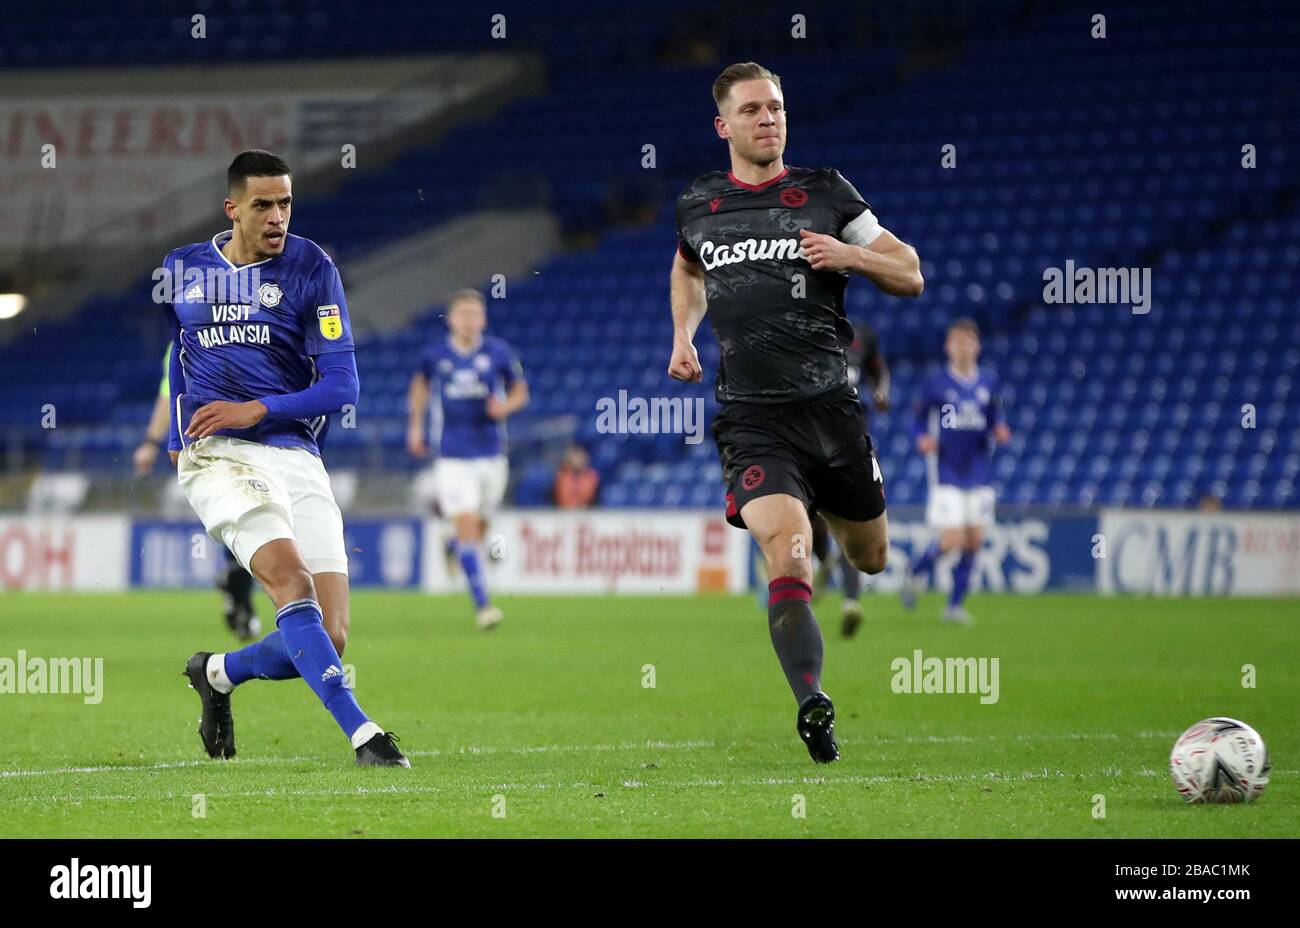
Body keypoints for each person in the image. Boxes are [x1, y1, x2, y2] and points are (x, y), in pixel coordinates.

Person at [668, 62, 924, 763]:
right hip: (753, 419)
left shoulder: (828, 193)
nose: (768, 119)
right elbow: (688, 267)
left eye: (776, 107)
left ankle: (845, 547)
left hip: (833, 413)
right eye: (752, 110)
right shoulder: (701, 203)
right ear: (724, 126)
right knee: (789, 551)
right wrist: (682, 335)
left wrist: (849, 255)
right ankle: (812, 701)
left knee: (870, 559)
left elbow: (911, 272)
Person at [166, 149, 407, 766]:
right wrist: (176, 439)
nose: (278, 217)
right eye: (263, 205)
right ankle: (365, 735)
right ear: (233, 208)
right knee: (291, 585)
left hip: (294, 450)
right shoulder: (184, 269)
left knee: (330, 635)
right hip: (219, 455)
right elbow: (180, 351)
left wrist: (257, 408)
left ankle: (217, 672)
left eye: (286, 203)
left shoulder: (310, 266)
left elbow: (341, 387)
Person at [407, 289, 528, 629]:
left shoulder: (498, 352)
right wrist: (415, 428)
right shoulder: (435, 355)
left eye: (475, 314)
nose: (469, 320)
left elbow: (520, 391)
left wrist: (506, 406)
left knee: (481, 524)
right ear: (452, 319)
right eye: (463, 314)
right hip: (452, 454)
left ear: (483, 319)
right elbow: (419, 387)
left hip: (491, 452)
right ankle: (483, 606)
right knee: (468, 525)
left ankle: (454, 544)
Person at [135, 346, 260, 640]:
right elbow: (170, 394)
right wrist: (153, 441)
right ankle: (238, 584)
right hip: (212, 442)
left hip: (258, 433)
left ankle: (236, 583)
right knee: (242, 515)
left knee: (249, 519)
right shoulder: (184, 332)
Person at [900, 317, 1011, 625]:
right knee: (951, 540)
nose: (963, 347)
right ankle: (916, 569)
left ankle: (954, 606)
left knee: (974, 541)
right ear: (948, 347)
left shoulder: (988, 382)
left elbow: (994, 418)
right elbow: (916, 420)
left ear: (978, 346)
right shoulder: (937, 383)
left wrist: (1000, 429)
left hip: (979, 471)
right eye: (957, 341)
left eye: (968, 341)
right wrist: (921, 437)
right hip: (946, 470)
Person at [832, 318, 891, 638]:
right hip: (804, 439)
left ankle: (850, 600)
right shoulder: (797, 321)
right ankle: (821, 564)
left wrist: (881, 391)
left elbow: (878, 369)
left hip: (852, 442)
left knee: (849, 524)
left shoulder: (862, 333)